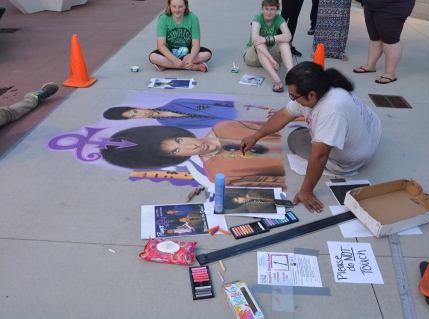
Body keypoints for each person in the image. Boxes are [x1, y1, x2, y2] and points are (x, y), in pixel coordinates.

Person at [240, 62, 382, 212]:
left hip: (353, 158)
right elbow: (283, 115)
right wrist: (255, 136)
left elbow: (320, 157)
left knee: (295, 139)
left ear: (311, 94)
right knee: (304, 133)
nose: (293, 99)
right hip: (370, 133)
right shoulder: (324, 84)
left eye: (294, 96)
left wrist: (306, 191)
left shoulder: (331, 111)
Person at [101, 121, 286, 187]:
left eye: (179, 140)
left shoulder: (225, 127)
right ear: (171, 158)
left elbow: (279, 130)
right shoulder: (216, 173)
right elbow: (273, 183)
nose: (191, 147)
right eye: (176, 150)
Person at [353, 0, 415, 84]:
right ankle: (370, 66)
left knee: (390, 40)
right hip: (370, 4)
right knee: (374, 36)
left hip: (393, 6)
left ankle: (390, 74)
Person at [244, 0, 294, 93]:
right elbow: (255, 40)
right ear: (262, 9)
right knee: (259, 43)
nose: (269, 12)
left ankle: (290, 73)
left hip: (270, 57)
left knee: (284, 43)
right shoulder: (258, 19)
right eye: (266, 9)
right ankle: (277, 80)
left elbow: (288, 36)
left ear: (277, 10)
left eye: (272, 9)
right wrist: (271, 59)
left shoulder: (279, 19)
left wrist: (267, 39)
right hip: (253, 57)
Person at [148, 0, 212, 72]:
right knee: (153, 57)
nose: (177, 10)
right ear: (169, 6)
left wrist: (191, 58)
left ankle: (167, 65)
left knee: (207, 54)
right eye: (174, 6)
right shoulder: (163, 18)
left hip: (188, 52)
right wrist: (174, 59)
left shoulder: (193, 18)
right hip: (169, 52)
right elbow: (161, 45)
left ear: (185, 6)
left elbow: (196, 44)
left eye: (180, 7)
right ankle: (193, 67)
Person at [102, 98, 235, 128]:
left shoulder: (175, 102)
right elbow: (200, 126)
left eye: (135, 111)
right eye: (134, 116)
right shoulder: (168, 124)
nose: (141, 114)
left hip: (233, 111)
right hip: (228, 124)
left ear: (137, 107)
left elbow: (212, 102)